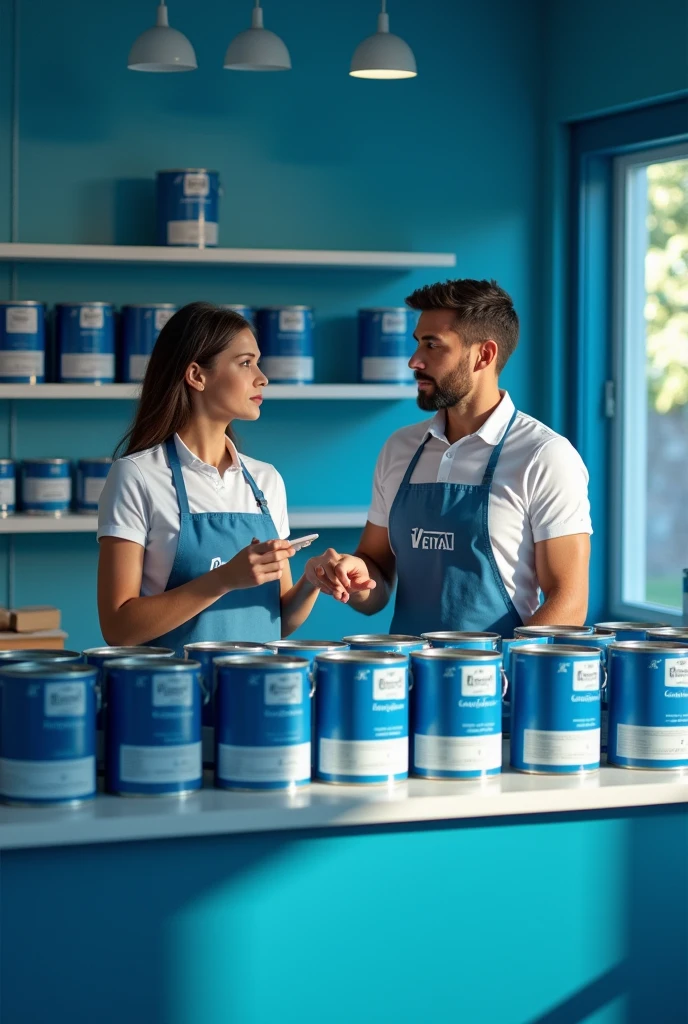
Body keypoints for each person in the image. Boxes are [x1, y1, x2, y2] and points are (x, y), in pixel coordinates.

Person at [304, 278, 592, 635]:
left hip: (498, 682)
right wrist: (355, 575)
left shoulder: (543, 455)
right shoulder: (400, 448)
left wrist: (501, 671)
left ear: (483, 355)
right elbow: (376, 575)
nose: (414, 361)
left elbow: (569, 601)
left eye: (432, 345)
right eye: (417, 344)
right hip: (407, 677)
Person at [97, 302, 320, 656]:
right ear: (197, 375)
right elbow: (118, 627)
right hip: (174, 695)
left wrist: (312, 580)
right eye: (246, 363)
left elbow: (277, 619)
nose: (262, 377)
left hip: (257, 686)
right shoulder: (137, 476)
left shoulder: (266, 481)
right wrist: (225, 579)